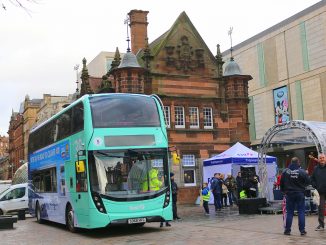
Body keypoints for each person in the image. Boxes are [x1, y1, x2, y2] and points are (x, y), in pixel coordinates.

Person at [280, 157, 310, 236]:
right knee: (301, 212)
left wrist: (284, 191)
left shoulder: (285, 171)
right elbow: (308, 182)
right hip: (300, 193)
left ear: (291, 162)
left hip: (289, 194)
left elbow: (281, 183)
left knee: (289, 212)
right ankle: (302, 230)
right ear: (298, 162)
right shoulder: (302, 171)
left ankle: (287, 230)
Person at [310, 153, 326, 231]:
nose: (322, 159)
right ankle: (321, 225)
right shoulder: (316, 168)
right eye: (320, 158)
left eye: (323, 158)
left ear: (325, 159)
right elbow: (312, 179)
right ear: (318, 159)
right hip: (320, 192)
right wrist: (315, 186)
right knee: (321, 208)